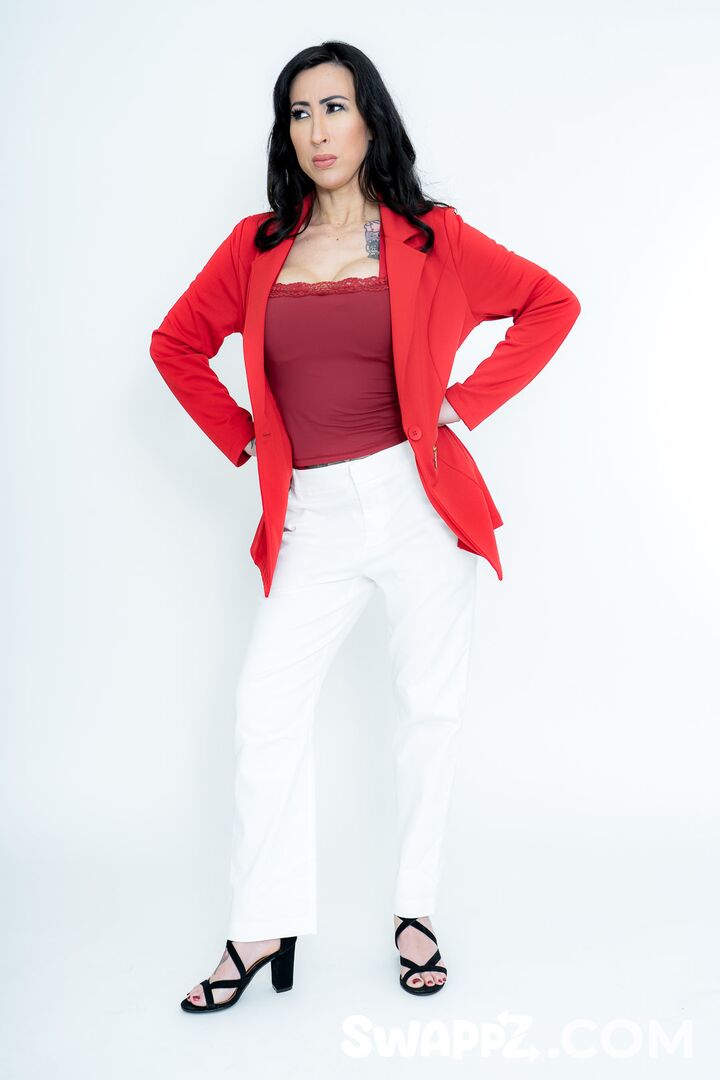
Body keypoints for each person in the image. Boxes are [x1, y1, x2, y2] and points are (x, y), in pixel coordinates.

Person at [149, 41, 581, 1011]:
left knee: (428, 711)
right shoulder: (257, 247)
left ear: (371, 119)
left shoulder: (433, 238)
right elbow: (175, 344)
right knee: (265, 708)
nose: (318, 130)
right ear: (286, 132)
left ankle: (414, 911)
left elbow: (551, 304)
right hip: (313, 516)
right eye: (299, 113)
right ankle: (262, 924)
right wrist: (246, 437)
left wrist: (461, 405)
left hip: (418, 502)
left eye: (335, 107)